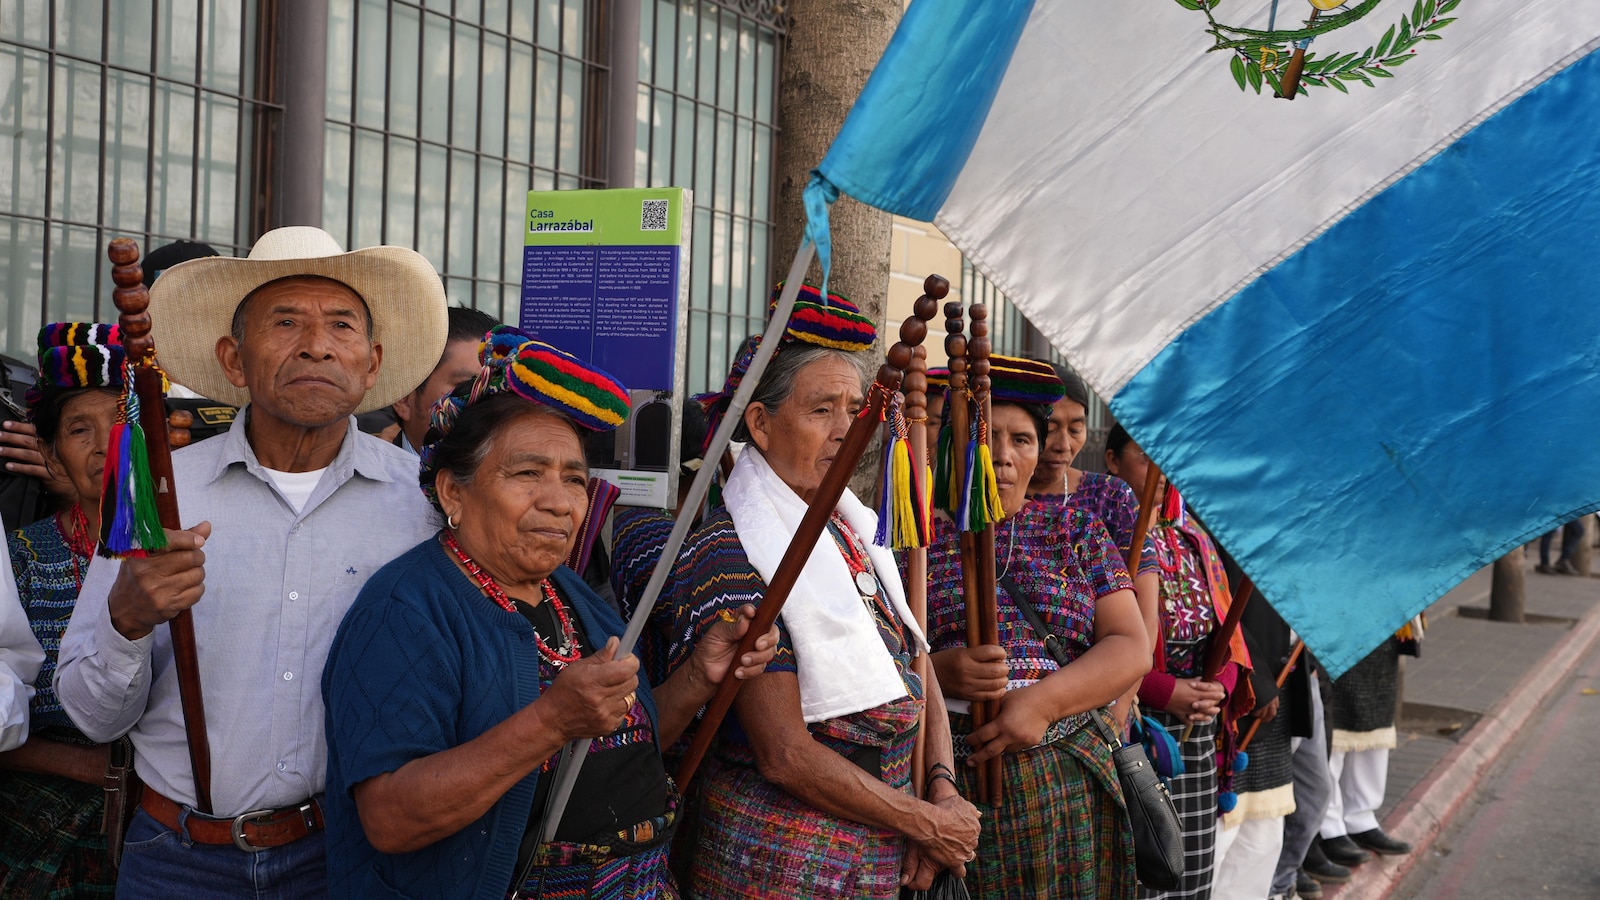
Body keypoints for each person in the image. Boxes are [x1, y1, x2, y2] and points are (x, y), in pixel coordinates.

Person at [55, 225, 449, 895]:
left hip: (345, 860)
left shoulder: (424, 508)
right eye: (286, 321)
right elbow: (92, 718)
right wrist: (126, 619)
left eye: (342, 326)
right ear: (233, 360)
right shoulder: (159, 492)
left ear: (373, 362)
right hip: (176, 859)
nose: (317, 345)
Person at [321, 326, 777, 898]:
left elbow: (617, 742)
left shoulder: (573, 595)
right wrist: (551, 720)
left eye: (575, 479)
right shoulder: (406, 610)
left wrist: (699, 676)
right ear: (452, 493)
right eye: (527, 474)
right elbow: (391, 818)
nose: (559, 501)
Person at [661, 284, 980, 899]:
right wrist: (923, 822)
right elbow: (783, 753)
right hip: (784, 863)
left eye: (855, 408)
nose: (846, 431)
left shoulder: (852, 525)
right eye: (821, 410)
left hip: (888, 839)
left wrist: (940, 783)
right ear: (760, 422)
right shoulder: (733, 551)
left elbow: (915, 658)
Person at [922, 355, 1148, 899]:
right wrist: (936, 671)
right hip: (947, 777)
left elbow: (1130, 646)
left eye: (1022, 440)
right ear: (954, 446)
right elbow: (878, 649)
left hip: (1064, 775)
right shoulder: (913, 536)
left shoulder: (1075, 529)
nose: (1002, 456)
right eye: (986, 437)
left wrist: (1041, 703)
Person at [0, 324, 132, 895]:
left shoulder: (191, 550)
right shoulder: (21, 560)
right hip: (41, 836)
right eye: (81, 429)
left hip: (170, 835)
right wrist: (98, 770)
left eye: (123, 422)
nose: (106, 444)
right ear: (50, 456)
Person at [1109, 424, 1254, 900]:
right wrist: (1166, 693)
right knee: (1145, 867)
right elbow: (1108, 642)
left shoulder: (1194, 537)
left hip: (1196, 730)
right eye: (1145, 456)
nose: (1159, 469)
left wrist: (1219, 688)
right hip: (1137, 721)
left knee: (1190, 872)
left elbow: (1227, 632)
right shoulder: (1109, 536)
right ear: (1112, 462)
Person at [1027, 363, 1158, 725]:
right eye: (1051, 428)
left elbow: (1145, 614)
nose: (1063, 445)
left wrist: (1121, 700)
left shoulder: (1111, 497)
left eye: (1076, 428)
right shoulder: (990, 501)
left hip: (1102, 702)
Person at [1318, 638, 1412, 864]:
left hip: (1381, 622)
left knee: (1375, 722)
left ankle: (1361, 819)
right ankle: (1328, 826)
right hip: (1336, 623)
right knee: (1335, 730)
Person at [389, 305, 500, 455]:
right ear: (404, 398)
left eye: (501, 389)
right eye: (467, 387)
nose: (491, 406)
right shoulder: (361, 475)